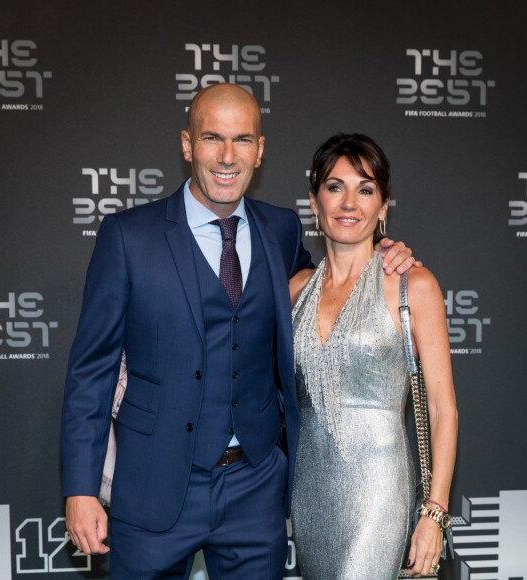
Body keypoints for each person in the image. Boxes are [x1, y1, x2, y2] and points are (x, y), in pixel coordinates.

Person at [61, 84, 416, 579]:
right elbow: (91, 372)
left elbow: (333, 281)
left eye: (243, 140)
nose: (227, 157)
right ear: (187, 146)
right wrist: (80, 489)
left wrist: (381, 253)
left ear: (260, 150)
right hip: (154, 485)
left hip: (255, 486)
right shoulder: (128, 237)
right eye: (212, 138)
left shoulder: (281, 230)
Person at [289, 133, 458, 579]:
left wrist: (434, 513)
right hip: (308, 494)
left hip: (380, 493)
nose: (349, 203)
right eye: (334, 187)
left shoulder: (412, 286)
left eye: (365, 190)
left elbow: (443, 408)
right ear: (314, 201)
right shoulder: (293, 291)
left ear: (383, 207)